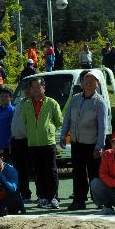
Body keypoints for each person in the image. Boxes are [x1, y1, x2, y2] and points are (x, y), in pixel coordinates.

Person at [60, 71, 106, 210]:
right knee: (78, 173)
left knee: (94, 174)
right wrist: (63, 136)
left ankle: (99, 200)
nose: (88, 82)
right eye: (86, 79)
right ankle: (79, 200)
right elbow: (67, 118)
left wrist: (100, 145)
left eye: (92, 80)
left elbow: (102, 126)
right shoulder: (75, 98)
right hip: (76, 143)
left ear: (97, 84)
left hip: (92, 144)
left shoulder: (100, 102)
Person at [21, 77, 63, 209]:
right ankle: (42, 197)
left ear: (44, 88)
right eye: (33, 87)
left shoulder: (52, 103)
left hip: (48, 142)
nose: (36, 90)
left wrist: (48, 130)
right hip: (33, 144)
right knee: (37, 172)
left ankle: (53, 197)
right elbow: (25, 122)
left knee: (51, 171)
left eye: (38, 87)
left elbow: (59, 121)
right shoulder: (26, 105)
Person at [10, 83, 32, 202]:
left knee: (32, 169)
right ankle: (24, 193)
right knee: (19, 169)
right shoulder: (20, 102)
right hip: (16, 140)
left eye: (29, 89)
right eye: (25, 90)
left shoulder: (33, 103)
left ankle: (42, 195)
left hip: (28, 140)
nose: (27, 92)